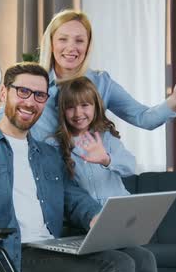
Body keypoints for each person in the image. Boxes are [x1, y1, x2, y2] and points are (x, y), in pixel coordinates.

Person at [0, 62, 158, 272]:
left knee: (142, 258)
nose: (30, 102)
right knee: (116, 265)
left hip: (52, 248)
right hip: (10, 257)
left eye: (39, 95)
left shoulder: (48, 154)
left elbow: (73, 197)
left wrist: (94, 216)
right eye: (23, 91)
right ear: (4, 93)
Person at [0, 9, 176, 172]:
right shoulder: (34, 85)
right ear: (51, 42)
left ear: (88, 45)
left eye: (79, 40)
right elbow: (0, 124)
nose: (70, 48)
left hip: (88, 190)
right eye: (63, 39)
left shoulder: (102, 83)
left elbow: (143, 117)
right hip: (45, 187)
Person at [49, 76, 135, 205]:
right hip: (85, 216)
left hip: (119, 208)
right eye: (70, 107)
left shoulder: (106, 136)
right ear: (62, 110)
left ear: (96, 107)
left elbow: (130, 166)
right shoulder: (54, 144)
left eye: (84, 105)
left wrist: (106, 159)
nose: (78, 113)